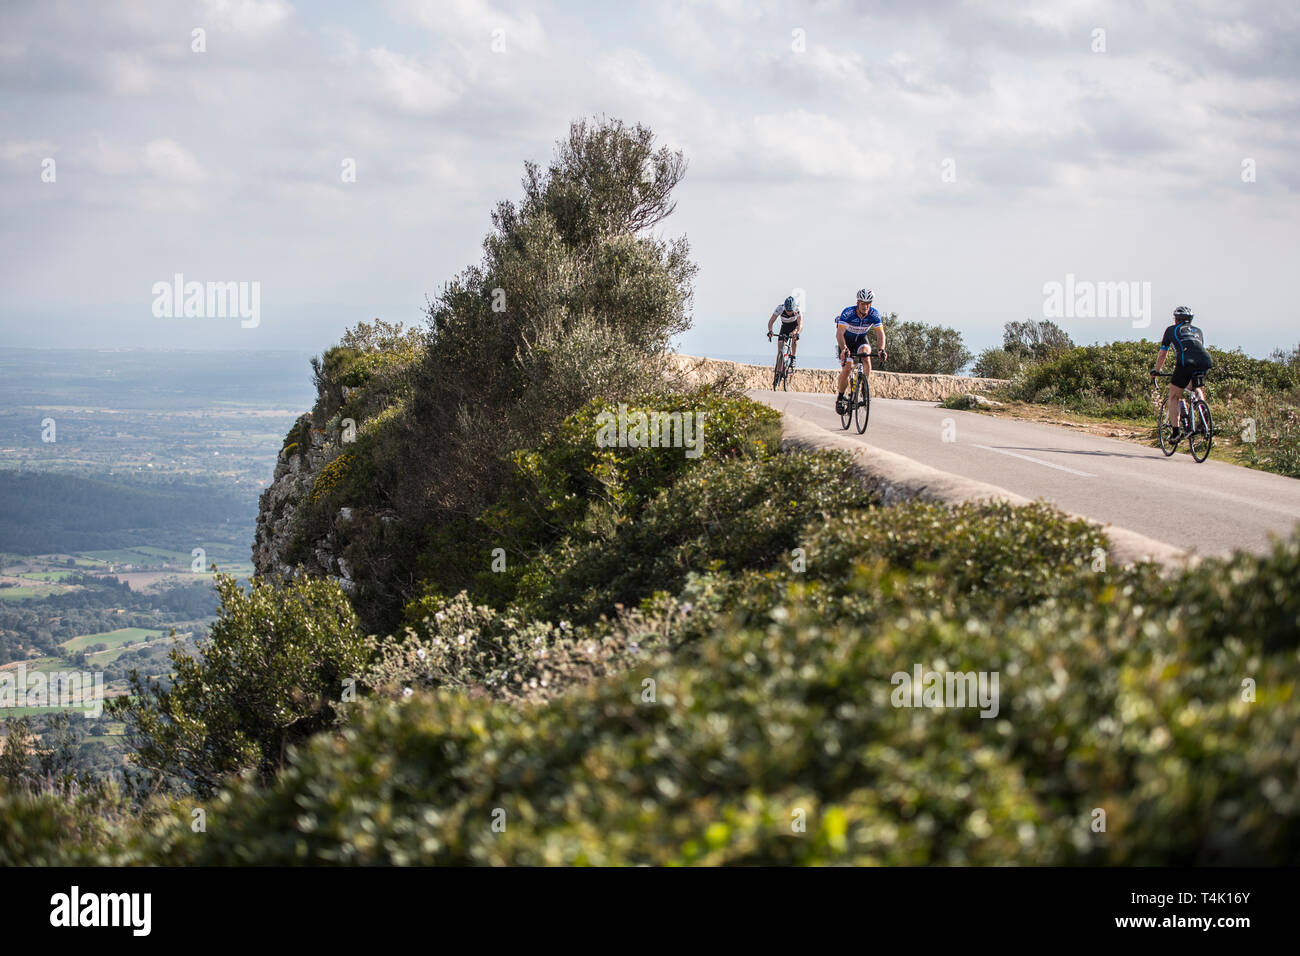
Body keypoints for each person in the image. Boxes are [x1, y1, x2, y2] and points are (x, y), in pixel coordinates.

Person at [1151, 305, 1213, 442]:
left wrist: (1157, 371)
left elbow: (1163, 353)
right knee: (1195, 388)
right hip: (1205, 361)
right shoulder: (1198, 331)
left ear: (1176, 319)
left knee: (1174, 397)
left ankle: (1175, 432)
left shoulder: (1171, 330)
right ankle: (1204, 419)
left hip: (1186, 363)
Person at [835, 288, 887, 414]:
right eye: (863, 303)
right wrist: (844, 349)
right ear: (858, 302)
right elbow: (839, 334)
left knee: (866, 356)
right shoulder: (848, 313)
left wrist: (881, 350)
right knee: (847, 368)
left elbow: (880, 334)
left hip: (861, 340)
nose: (865, 306)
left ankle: (864, 387)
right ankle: (840, 397)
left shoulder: (874, 314)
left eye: (868, 303)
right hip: (846, 342)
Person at [767, 295, 803, 375]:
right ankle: (778, 371)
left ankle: (793, 357)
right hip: (785, 327)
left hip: (794, 326)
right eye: (787, 310)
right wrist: (770, 331)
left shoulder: (797, 310)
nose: (789, 312)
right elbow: (771, 321)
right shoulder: (779, 308)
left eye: (791, 311)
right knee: (780, 347)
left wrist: (797, 333)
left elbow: (800, 324)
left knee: (794, 338)